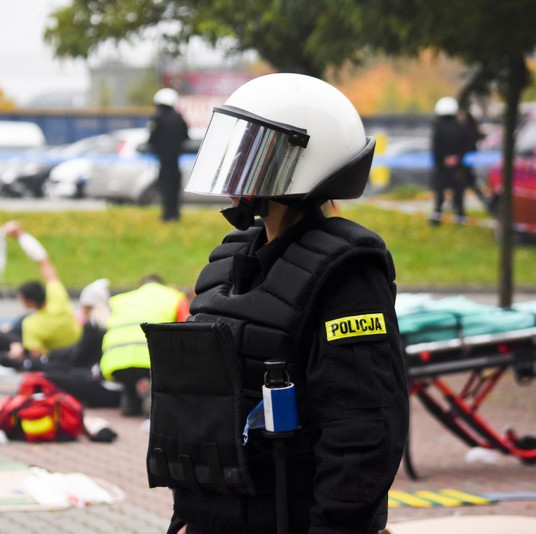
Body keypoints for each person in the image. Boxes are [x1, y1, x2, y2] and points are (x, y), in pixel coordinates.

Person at [143, 73, 409, 533]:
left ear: (305, 160)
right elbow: (208, 416)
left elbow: (363, 431)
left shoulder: (348, 276)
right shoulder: (232, 262)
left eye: (254, 152)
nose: (238, 166)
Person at [99, 274, 189, 416]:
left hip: (115, 361)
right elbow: (188, 328)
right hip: (153, 362)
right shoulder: (174, 297)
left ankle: (131, 399)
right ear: (163, 285)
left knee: (130, 377)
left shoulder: (121, 300)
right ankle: (153, 396)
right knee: (154, 377)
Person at [0, 221, 81, 370]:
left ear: (30, 302)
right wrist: (21, 235)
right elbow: (44, 262)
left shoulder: (31, 325)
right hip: (79, 351)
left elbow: (38, 358)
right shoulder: (57, 296)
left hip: (61, 362)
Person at [42, 278, 121, 408]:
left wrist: (52, 358)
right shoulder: (114, 320)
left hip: (104, 387)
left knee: (50, 376)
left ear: (87, 306)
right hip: (119, 388)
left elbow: (79, 358)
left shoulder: (93, 324)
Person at [148, 88, 189, 222]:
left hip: (164, 162)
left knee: (165, 188)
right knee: (175, 187)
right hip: (175, 162)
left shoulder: (156, 119)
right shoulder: (179, 118)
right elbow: (186, 137)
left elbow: (152, 139)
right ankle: (175, 214)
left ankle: (167, 215)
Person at [430, 96, 472, 225]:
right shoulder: (460, 126)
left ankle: (436, 219)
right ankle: (460, 218)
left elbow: (435, 147)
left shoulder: (437, 126)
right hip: (457, 166)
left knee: (440, 194)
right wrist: (457, 157)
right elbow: (467, 145)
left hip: (442, 166)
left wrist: (443, 159)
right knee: (458, 194)